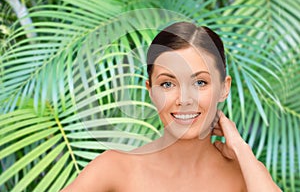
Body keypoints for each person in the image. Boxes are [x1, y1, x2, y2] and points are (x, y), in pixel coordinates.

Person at [62, 22, 281, 191]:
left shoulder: (245, 176)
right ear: (151, 91)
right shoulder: (116, 168)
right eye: (168, 83)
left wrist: (243, 151)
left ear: (224, 88)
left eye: (200, 83)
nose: (184, 99)